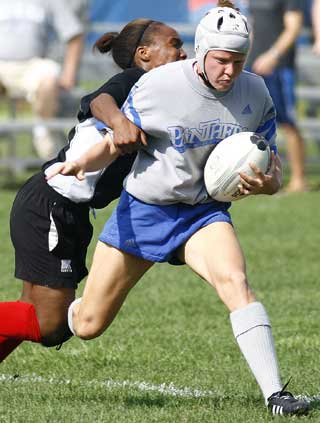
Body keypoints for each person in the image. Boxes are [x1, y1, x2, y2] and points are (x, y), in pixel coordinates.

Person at [53, 1, 309, 416]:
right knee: (87, 326)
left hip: (202, 213)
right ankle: (51, 315)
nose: (230, 70)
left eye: (238, 61)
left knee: (236, 283)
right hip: (145, 209)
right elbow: (113, 140)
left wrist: (267, 185)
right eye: (222, 60)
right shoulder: (160, 86)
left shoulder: (256, 91)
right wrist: (84, 162)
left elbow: (272, 168)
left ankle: (276, 394)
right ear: (203, 49)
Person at [0, 19, 186, 363]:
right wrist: (118, 123)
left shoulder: (161, 96)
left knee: (36, 313)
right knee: (50, 323)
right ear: (144, 54)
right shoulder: (136, 80)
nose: (183, 51)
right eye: (174, 44)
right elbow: (100, 101)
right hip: (51, 204)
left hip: (60, 207)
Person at [0, 0, 85, 160]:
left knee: (49, 77)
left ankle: (43, 133)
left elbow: (75, 34)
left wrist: (69, 74)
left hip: (33, 66)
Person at [245, 0, 307, 193]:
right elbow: (253, 26)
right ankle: (250, 175)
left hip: (279, 67)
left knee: (288, 122)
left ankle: (299, 179)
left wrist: (273, 55)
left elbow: (293, 28)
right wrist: (246, 57)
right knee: (248, 122)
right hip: (254, 65)